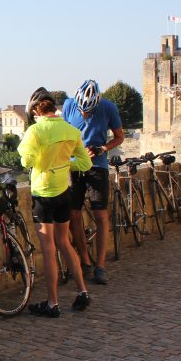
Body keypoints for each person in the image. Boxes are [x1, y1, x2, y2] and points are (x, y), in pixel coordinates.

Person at [18, 88, 93, 317]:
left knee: (49, 249)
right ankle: (82, 291)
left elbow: (26, 160)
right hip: (64, 192)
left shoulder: (35, 131)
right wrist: (64, 164)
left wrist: (43, 162)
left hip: (43, 194)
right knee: (65, 242)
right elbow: (85, 163)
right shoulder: (71, 130)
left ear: (35, 111)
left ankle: (52, 303)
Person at [62, 79, 124, 285]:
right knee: (73, 214)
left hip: (97, 166)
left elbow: (119, 137)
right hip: (74, 166)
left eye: (89, 112)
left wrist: (102, 149)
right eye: (82, 111)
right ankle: (85, 262)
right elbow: (63, 134)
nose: (85, 115)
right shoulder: (69, 105)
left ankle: (100, 266)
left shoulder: (108, 108)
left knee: (100, 215)